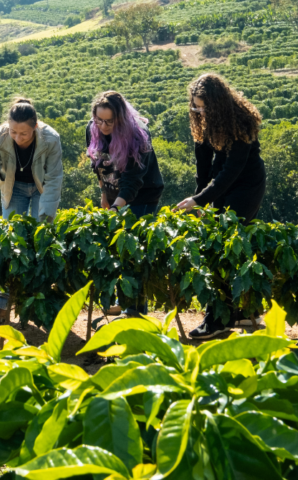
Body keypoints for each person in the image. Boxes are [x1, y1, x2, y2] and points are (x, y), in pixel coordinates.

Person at [175, 73, 267, 340]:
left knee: (224, 248)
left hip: (246, 186)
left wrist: (199, 200)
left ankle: (217, 319)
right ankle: (243, 311)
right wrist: (198, 200)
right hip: (222, 183)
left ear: (216, 104)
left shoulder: (242, 122)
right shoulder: (204, 123)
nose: (198, 111)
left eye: (202, 106)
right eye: (194, 106)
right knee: (224, 245)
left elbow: (231, 171)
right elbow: (203, 168)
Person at [0, 97, 63, 329]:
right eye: (13, 132)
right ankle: (0, 301)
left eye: (23, 133)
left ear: (35, 127)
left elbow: (54, 178)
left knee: (39, 240)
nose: (17, 137)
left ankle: (35, 302)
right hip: (12, 188)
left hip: (40, 188)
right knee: (7, 240)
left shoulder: (51, 138)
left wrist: (46, 215)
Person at [86, 90, 164, 319]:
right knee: (117, 251)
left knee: (133, 253)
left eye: (109, 121)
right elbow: (97, 165)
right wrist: (104, 196)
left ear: (119, 119)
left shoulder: (138, 134)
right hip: (114, 196)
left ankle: (135, 312)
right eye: (98, 119)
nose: (103, 125)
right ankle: (125, 302)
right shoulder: (93, 128)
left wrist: (115, 208)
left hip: (142, 196)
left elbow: (133, 181)